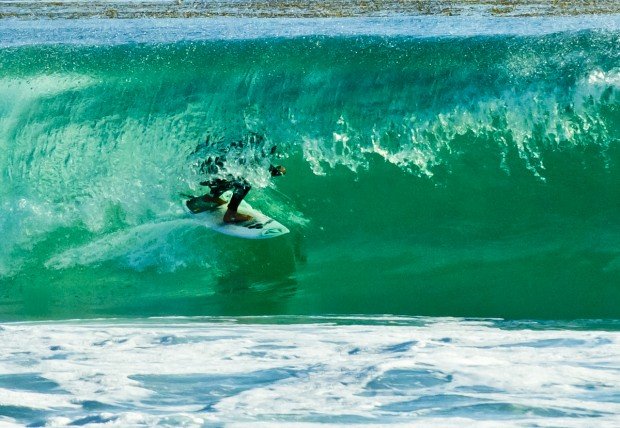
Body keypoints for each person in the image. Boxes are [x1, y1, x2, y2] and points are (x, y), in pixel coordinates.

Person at [186, 134, 286, 223]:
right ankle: (231, 214)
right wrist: (280, 171)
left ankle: (212, 197)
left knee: (228, 172)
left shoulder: (245, 138)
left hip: (198, 170)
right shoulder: (259, 145)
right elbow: (262, 169)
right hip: (207, 173)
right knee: (244, 182)